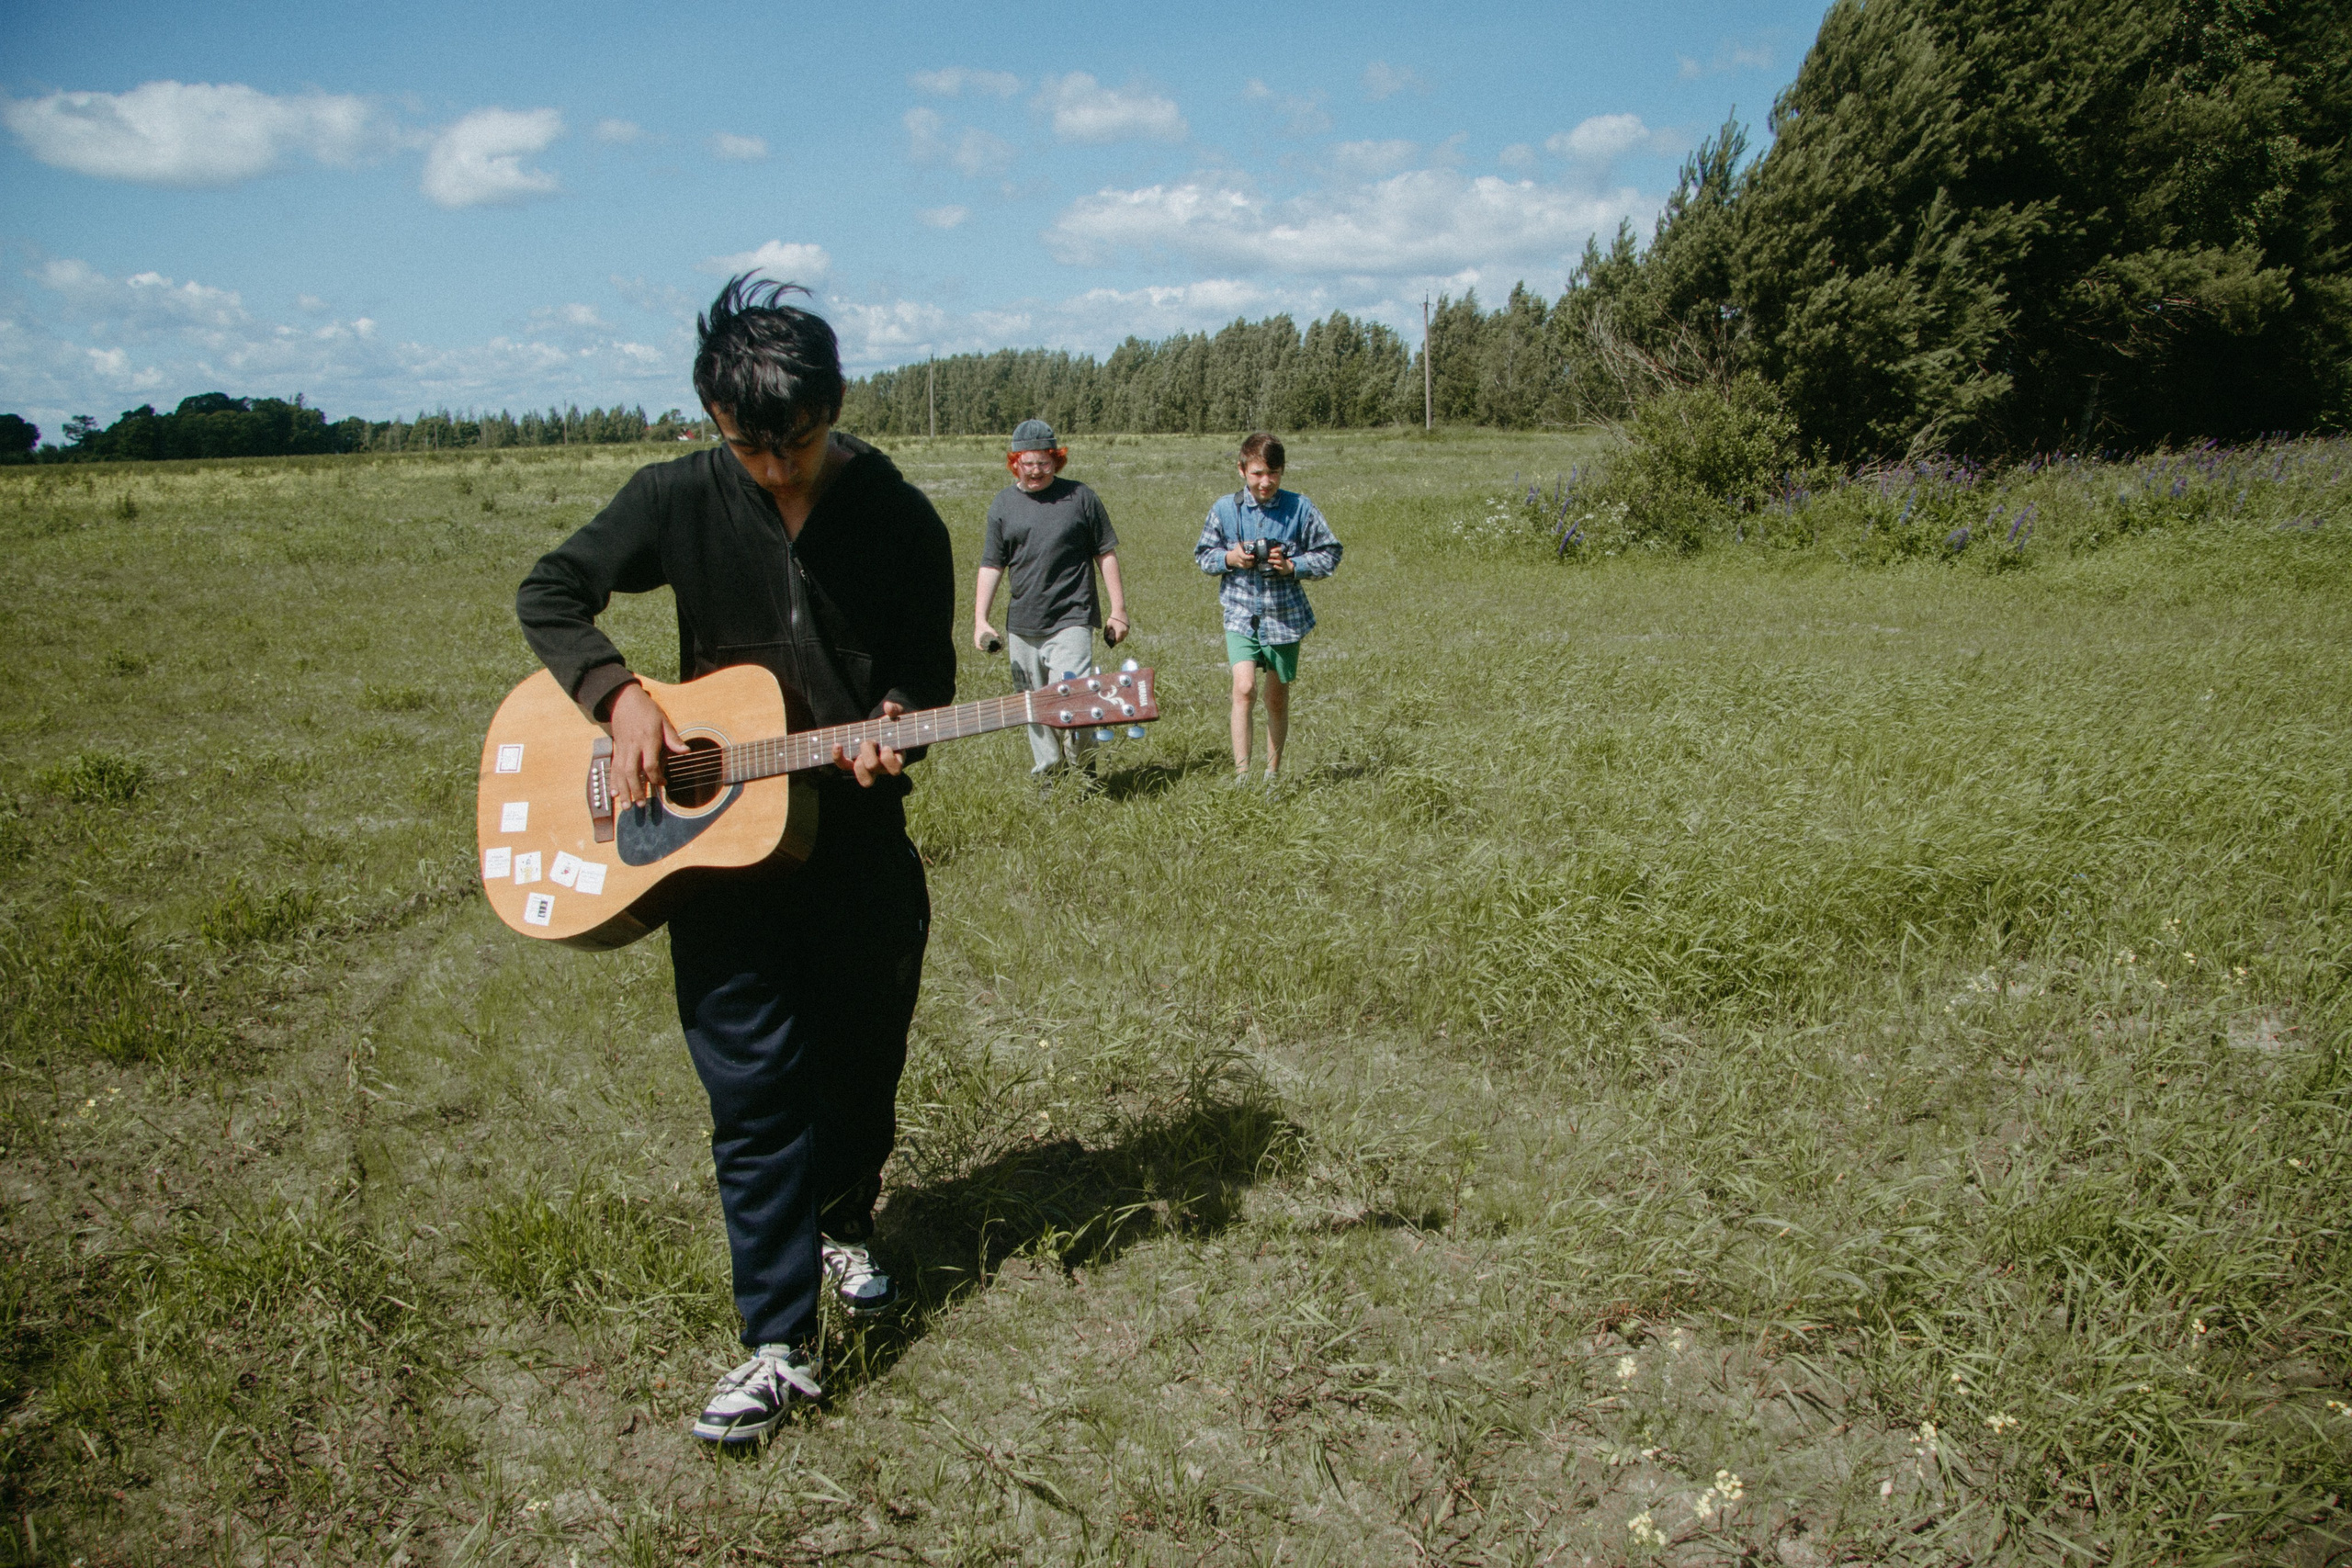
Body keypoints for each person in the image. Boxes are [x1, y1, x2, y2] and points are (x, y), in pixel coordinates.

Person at [514, 276, 955, 1445]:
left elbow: (927, 670)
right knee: (753, 1093)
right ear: (714, 420)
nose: (774, 469)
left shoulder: (899, 516)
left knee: (861, 1062)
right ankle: (776, 1344)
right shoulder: (677, 495)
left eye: (796, 444)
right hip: (718, 857)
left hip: (855, 849)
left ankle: (844, 1218)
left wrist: (898, 718)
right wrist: (618, 700)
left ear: (835, 407)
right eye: (748, 447)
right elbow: (550, 590)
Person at [971, 419, 1128, 791]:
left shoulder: (1080, 498)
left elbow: (1105, 554)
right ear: (1015, 463)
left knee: (1074, 698)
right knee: (1034, 707)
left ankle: (1086, 775)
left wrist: (1118, 610)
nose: (1037, 471)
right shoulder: (1003, 505)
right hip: (1022, 623)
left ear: (1057, 460)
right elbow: (992, 565)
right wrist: (980, 620)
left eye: (1044, 462)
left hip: (1071, 618)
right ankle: (1050, 776)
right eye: (1028, 463)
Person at [1193, 432, 1341, 788]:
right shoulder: (1225, 510)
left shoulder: (1300, 508)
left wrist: (1294, 566)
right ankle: (1243, 777)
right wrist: (1231, 558)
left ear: (1282, 471)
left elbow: (1331, 553)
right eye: (1258, 473)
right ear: (1242, 470)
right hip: (1241, 614)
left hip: (1284, 617)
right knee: (1243, 689)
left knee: (1276, 698)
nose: (1265, 482)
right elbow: (1203, 555)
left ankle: (1272, 775)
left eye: (1273, 473)